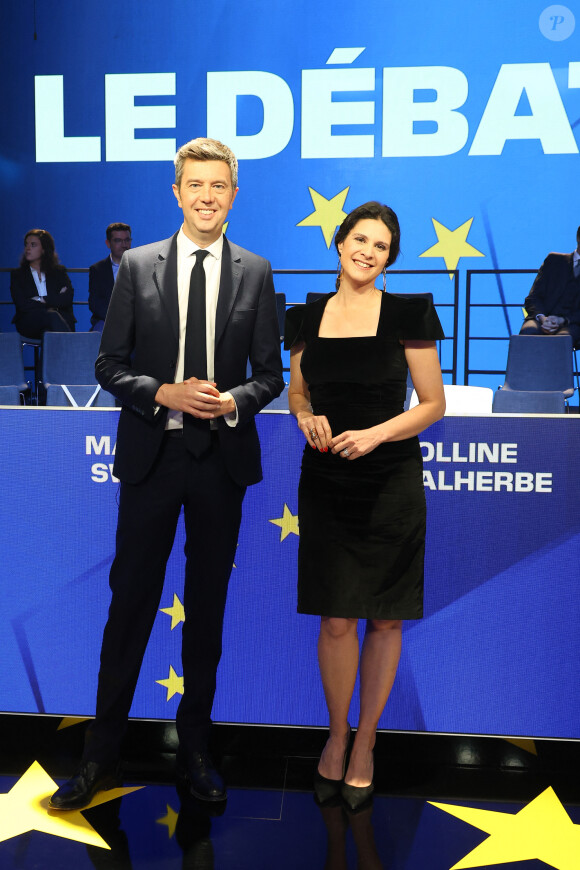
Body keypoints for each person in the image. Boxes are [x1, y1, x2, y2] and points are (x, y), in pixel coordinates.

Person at [49, 137, 284, 810]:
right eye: (196, 184)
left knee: (205, 614)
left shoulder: (258, 272)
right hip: (152, 458)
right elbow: (107, 364)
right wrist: (163, 392)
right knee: (128, 611)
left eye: (220, 185)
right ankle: (99, 759)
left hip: (221, 463)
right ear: (177, 192)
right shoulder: (138, 267)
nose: (207, 196)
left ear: (233, 195)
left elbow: (269, 373)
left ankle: (197, 755)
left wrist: (233, 400)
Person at [285, 202, 445, 811]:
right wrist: (305, 416)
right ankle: (336, 734)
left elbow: (432, 404)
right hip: (325, 477)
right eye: (360, 239)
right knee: (335, 619)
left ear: (389, 258)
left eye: (380, 246)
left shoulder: (408, 312)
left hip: (390, 480)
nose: (368, 251)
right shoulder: (303, 316)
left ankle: (366, 743)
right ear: (339, 242)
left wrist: (377, 433)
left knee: (383, 617)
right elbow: (299, 391)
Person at [519, 226, 580, 346]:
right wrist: (543, 318)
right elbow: (533, 298)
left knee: (561, 341)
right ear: (578, 238)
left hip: (572, 323)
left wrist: (562, 320)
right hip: (542, 319)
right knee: (528, 332)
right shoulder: (554, 260)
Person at [10, 229, 75, 337]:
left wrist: (41, 299)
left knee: (49, 332)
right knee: (52, 316)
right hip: (30, 322)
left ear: (44, 249)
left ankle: (61, 351)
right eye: (26, 244)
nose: (28, 248)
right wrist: (53, 301)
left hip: (58, 321)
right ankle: (74, 350)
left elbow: (67, 298)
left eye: (33, 245)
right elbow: (22, 304)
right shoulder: (18, 275)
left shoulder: (59, 272)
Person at [88, 223, 132, 331]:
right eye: (118, 240)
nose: (124, 244)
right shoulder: (98, 269)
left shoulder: (141, 266)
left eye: (127, 240)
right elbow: (95, 303)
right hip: (106, 319)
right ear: (108, 243)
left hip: (134, 319)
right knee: (101, 331)